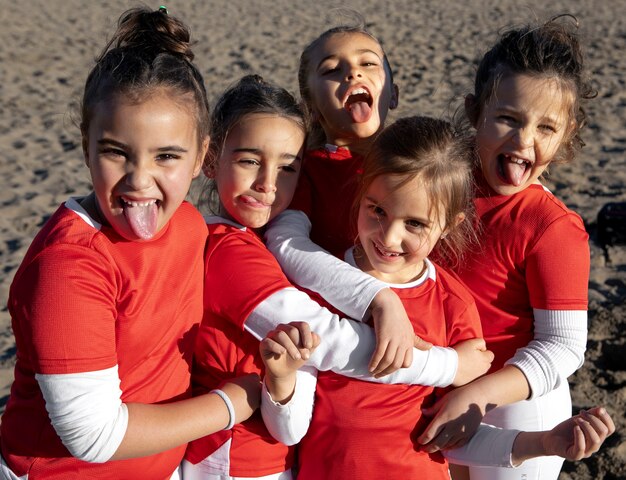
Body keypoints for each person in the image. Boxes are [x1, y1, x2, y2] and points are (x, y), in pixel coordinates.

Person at [264, 14, 597, 480]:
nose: (523, 139)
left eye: (546, 128)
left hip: (512, 400)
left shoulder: (551, 226)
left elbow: (563, 346)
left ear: (566, 135)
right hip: (427, 382)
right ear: (473, 112)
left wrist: (476, 393)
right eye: (506, 119)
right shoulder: (437, 179)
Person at [181, 78, 492, 480]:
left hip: (281, 460)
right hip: (229, 461)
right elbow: (329, 341)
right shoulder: (229, 249)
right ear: (210, 159)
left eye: (288, 167)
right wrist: (448, 365)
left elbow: (293, 422)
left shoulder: (278, 245)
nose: (268, 184)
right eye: (248, 161)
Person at [0, 8, 259, 480]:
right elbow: (93, 435)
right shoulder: (68, 266)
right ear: (85, 144)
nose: (140, 180)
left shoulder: (189, 224)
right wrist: (236, 401)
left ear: (203, 154)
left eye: (166, 156)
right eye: (116, 152)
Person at [260, 115, 489, 479]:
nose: (389, 237)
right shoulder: (321, 286)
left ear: (450, 224)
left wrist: (542, 442)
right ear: (360, 190)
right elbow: (290, 425)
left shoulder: (452, 304)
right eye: (377, 210)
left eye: (415, 223)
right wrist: (281, 382)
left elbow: (458, 432)